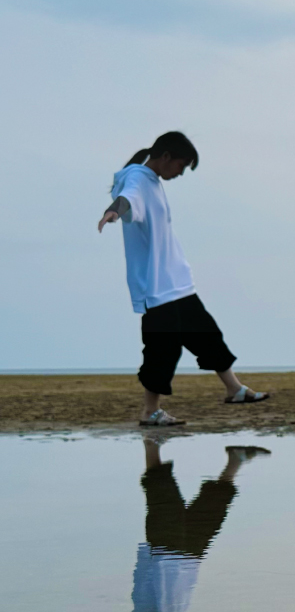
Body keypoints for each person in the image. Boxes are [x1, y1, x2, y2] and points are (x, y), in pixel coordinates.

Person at [98, 132, 268, 425]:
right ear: (165, 157)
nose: (180, 172)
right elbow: (127, 200)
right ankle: (150, 412)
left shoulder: (152, 180)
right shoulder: (137, 178)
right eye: (181, 165)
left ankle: (235, 390)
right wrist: (113, 211)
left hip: (176, 281)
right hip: (156, 287)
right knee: (163, 349)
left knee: (207, 334)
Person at [108, 438, 271, 612]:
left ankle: (152, 444)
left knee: (164, 501)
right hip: (180, 568)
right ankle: (235, 460)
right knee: (210, 515)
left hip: (164, 565)